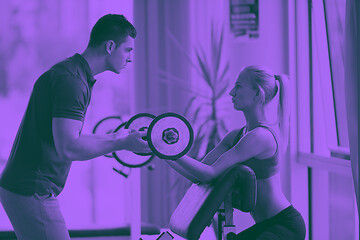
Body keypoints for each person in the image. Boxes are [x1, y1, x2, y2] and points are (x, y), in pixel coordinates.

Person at [0, 14, 150, 240]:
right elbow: (69, 148)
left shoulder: (72, 73)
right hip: (31, 189)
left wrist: (120, 137)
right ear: (110, 46)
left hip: (27, 188)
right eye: (128, 50)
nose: (130, 58)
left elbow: (71, 137)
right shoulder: (72, 82)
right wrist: (121, 142)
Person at [164, 65, 306, 239]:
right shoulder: (236, 136)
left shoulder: (261, 137)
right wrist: (163, 152)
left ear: (257, 93)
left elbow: (210, 174)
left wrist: (170, 151)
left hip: (284, 225)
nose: (231, 92)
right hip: (265, 225)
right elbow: (199, 174)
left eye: (238, 86)